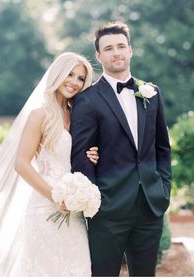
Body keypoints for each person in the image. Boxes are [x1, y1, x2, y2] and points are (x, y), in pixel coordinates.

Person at [0, 52, 98, 276]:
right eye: (69, 74)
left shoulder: (80, 115)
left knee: (78, 268)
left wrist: (93, 156)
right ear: (57, 75)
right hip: (45, 206)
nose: (74, 82)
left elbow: (79, 156)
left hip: (75, 207)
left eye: (81, 78)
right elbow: (21, 164)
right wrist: (54, 195)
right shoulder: (40, 115)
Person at [70, 22, 172, 276]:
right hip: (107, 210)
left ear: (130, 50)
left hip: (150, 207)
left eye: (121, 46)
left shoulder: (152, 93)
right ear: (99, 56)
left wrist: (164, 189)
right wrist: (96, 203)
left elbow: (162, 148)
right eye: (109, 48)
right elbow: (80, 156)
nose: (116, 52)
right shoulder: (86, 100)